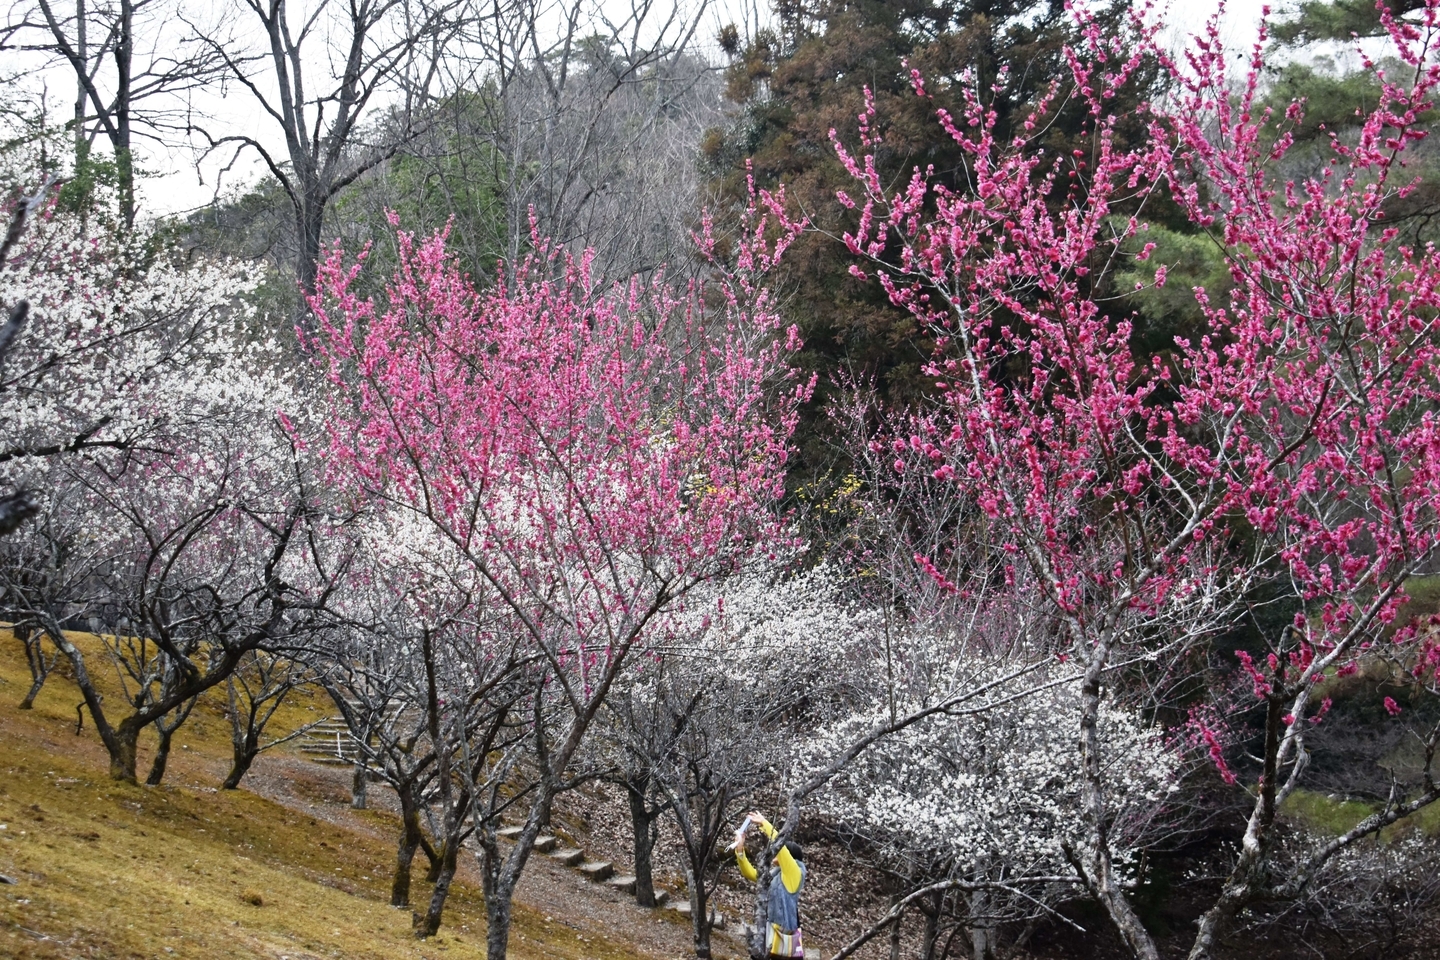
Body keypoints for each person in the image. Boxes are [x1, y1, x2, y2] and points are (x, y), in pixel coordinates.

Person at [733, 810, 806, 958]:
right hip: (770, 931)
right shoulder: (776, 874)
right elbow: (752, 874)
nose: (774, 851)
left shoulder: (794, 874)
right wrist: (740, 850)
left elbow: (782, 849)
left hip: (782, 933)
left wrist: (764, 823)